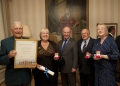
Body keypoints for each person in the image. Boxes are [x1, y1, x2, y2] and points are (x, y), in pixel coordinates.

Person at [0, 21, 32, 86]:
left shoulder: (29, 41)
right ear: (12, 30)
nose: (18, 31)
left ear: (22, 30)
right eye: (16, 28)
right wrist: (8, 56)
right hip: (12, 79)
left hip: (26, 77)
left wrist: (32, 63)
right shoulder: (5, 42)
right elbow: (0, 60)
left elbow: (31, 57)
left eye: (20, 28)